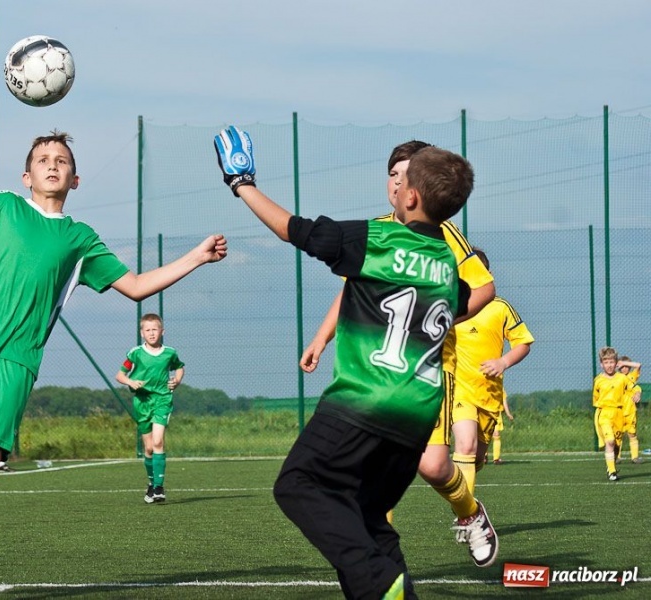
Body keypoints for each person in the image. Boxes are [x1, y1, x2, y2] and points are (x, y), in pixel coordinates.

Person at [0, 130, 227, 599]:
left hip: (15, 362)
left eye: (63, 161)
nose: (53, 165)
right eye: (43, 159)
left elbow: (135, 286)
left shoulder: (79, 239)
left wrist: (196, 256)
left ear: (75, 180)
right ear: (26, 174)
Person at [215, 125, 479, 599]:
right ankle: (396, 592)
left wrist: (242, 184)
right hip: (416, 418)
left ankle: (381, 584)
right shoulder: (445, 260)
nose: (395, 186)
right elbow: (459, 301)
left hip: (363, 402)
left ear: (412, 196)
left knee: (296, 485)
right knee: (367, 516)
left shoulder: (377, 239)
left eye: (403, 180)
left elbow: (294, 230)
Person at [298, 140, 499, 568]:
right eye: (393, 174)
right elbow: (352, 287)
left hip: (426, 371)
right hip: (377, 374)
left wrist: (434, 320)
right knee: (368, 477)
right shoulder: (376, 231)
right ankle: (378, 569)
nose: (397, 182)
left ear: (418, 187)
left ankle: (469, 512)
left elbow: (483, 289)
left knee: (432, 467)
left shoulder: (445, 236)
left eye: (404, 174)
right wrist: (321, 338)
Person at [452, 247, 533, 492]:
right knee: (465, 446)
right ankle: (466, 515)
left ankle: (462, 497)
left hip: (489, 395)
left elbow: (523, 342)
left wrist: (503, 362)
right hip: (459, 391)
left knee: (476, 458)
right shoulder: (449, 307)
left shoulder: (500, 308)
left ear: (488, 274)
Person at [115, 312, 185, 503]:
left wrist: (177, 380)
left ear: (162, 331)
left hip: (162, 400)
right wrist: (130, 381)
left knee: (158, 442)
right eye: (148, 330)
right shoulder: (135, 353)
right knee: (148, 448)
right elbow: (120, 375)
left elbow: (179, 367)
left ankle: (159, 488)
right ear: (142, 333)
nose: (152, 333)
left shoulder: (170, 353)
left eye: (155, 329)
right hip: (142, 402)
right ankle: (151, 484)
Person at [592, 347, 638, 481]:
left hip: (619, 414)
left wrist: (637, 393)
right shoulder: (598, 380)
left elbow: (634, 387)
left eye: (611, 362)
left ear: (616, 362)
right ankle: (612, 471)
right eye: (606, 362)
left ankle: (611, 466)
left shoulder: (622, 378)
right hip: (605, 413)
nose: (609, 365)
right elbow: (596, 398)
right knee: (610, 441)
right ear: (601, 364)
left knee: (616, 445)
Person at [617, 356, 642, 464]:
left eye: (627, 366)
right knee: (618, 434)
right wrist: (619, 364)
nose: (625, 368)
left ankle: (635, 457)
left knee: (632, 433)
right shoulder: (616, 378)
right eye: (622, 366)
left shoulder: (632, 377)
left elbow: (638, 365)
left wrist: (624, 362)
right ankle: (616, 457)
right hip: (619, 411)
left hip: (631, 411)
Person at [490, 390, 514, 464]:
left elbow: (504, 400)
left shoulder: (499, 386)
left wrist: (508, 413)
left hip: (496, 413)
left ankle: (496, 458)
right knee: (484, 436)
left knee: (496, 435)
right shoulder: (482, 383)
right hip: (484, 412)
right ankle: (483, 456)